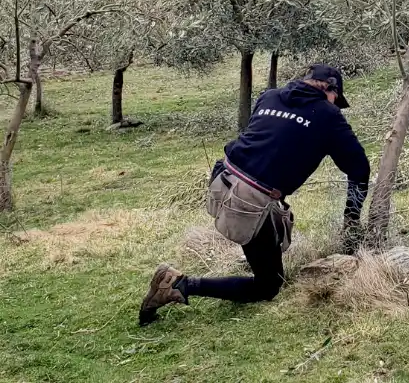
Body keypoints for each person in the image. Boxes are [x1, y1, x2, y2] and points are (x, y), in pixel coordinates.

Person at [139, 64, 370, 325]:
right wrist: (352, 218)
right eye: (336, 100)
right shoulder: (328, 115)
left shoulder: (269, 96)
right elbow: (360, 169)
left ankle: (193, 279)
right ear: (329, 89)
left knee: (267, 251)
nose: (336, 105)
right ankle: (177, 285)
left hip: (224, 180)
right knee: (269, 285)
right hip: (249, 201)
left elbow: (267, 143)